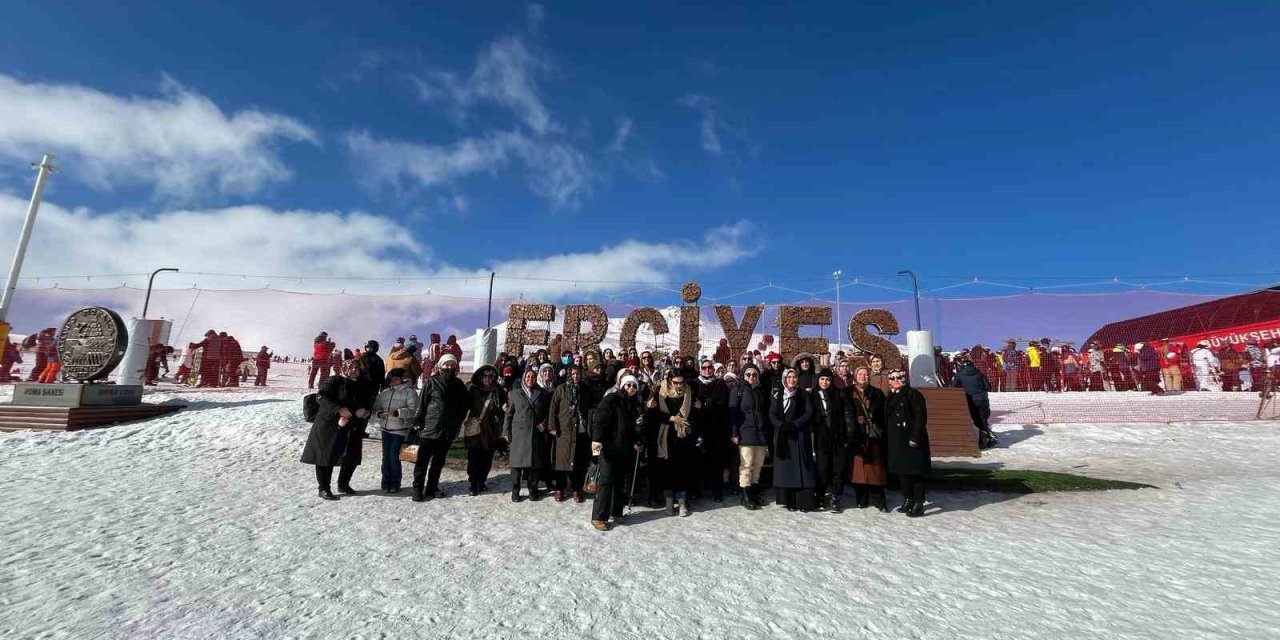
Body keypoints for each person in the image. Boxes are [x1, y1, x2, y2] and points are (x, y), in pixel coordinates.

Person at [300, 359, 369, 500]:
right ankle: (324, 488)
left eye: (357, 368)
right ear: (344, 369)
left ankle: (343, 484)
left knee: (352, 456)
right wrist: (338, 410)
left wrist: (364, 411)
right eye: (351, 367)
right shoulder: (334, 381)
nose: (354, 370)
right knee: (326, 456)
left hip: (352, 424)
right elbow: (321, 398)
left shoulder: (362, 385)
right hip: (329, 424)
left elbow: (367, 402)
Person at [410, 353, 470, 501]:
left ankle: (432, 488)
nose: (449, 367)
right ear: (440, 365)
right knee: (422, 462)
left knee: (438, 462)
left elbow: (465, 406)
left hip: (447, 431)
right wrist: (417, 422)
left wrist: (457, 421)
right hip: (429, 428)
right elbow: (421, 403)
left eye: (452, 364)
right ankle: (417, 489)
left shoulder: (459, 385)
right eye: (446, 364)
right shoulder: (432, 381)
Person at [589, 374, 644, 531]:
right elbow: (600, 420)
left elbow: (633, 427)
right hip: (609, 446)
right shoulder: (612, 399)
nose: (631, 388)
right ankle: (598, 516)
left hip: (625, 447)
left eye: (634, 386)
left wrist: (638, 438)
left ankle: (617, 512)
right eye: (628, 385)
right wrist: (597, 440)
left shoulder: (635, 404)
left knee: (620, 482)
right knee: (606, 481)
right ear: (622, 385)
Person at [649, 368, 698, 516]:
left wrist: (699, 407)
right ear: (670, 381)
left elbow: (694, 413)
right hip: (666, 435)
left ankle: (682, 501)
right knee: (667, 469)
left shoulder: (689, 391)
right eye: (676, 382)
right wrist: (671, 418)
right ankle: (669, 501)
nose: (679, 385)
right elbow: (654, 414)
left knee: (682, 468)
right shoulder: (660, 391)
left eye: (682, 382)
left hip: (684, 435)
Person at [770, 368, 818, 511]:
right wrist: (781, 425)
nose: (792, 379)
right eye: (789, 377)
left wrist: (795, 424)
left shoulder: (803, 394)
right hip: (782, 436)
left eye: (794, 377)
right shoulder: (778, 395)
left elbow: (809, 412)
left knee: (801, 468)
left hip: (799, 435)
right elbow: (772, 414)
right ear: (784, 379)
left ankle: (803, 502)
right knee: (786, 469)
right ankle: (789, 500)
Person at [885, 369, 930, 517]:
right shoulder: (890, 395)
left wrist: (915, 437)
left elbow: (920, 417)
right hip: (896, 439)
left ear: (905, 379)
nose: (895, 380)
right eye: (892, 378)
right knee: (902, 471)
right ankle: (908, 498)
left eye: (899, 377)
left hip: (910, 439)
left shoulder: (913, 394)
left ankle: (918, 502)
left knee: (915, 472)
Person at [505, 366, 552, 502]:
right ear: (523, 378)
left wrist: (544, 423)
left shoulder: (542, 393)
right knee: (516, 466)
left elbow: (548, 412)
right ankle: (515, 491)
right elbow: (509, 414)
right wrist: (506, 431)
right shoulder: (515, 393)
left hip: (535, 433)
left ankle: (533, 490)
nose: (530, 379)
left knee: (534, 465)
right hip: (518, 434)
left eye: (533, 377)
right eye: (527, 377)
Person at [549, 365, 594, 503]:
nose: (576, 376)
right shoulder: (561, 389)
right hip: (564, 430)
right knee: (562, 462)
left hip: (581, 431)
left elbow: (591, 408)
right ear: (569, 374)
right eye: (573, 374)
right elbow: (553, 408)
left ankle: (577, 488)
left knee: (579, 462)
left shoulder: (586, 389)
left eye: (578, 374)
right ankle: (560, 488)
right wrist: (552, 426)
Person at [370, 368, 419, 493]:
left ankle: (395, 483)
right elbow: (376, 409)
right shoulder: (385, 393)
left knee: (394, 455)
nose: (394, 380)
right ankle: (385, 482)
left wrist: (398, 412)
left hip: (400, 429)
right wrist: (380, 414)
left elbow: (414, 410)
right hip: (386, 429)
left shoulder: (409, 392)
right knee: (386, 456)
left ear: (402, 378)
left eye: (397, 377)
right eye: (392, 378)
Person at [729, 364, 770, 510]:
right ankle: (745, 495)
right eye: (748, 375)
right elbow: (733, 414)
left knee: (758, 465)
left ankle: (753, 493)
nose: (751, 377)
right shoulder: (738, 390)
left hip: (760, 433)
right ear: (743, 376)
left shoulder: (760, 391)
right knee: (746, 464)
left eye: (754, 375)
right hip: (745, 432)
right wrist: (734, 433)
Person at [812, 368, 853, 512]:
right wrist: (816, 419)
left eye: (828, 380)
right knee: (822, 469)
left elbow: (847, 414)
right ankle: (820, 495)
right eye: (822, 379)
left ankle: (836, 496)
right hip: (821, 438)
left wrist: (849, 433)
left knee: (838, 469)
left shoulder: (839, 394)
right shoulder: (813, 395)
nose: (825, 382)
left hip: (838, 436)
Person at [848, 365, 888, 511]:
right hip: (857, 435)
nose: (862, 376)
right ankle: (861, 498)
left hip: (873, 435)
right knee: (858, 469)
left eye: (865, 374)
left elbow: (882, 414)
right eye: (860, 374)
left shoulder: (877, 393)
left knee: (875, 468)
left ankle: (879, 499)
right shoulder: (848, 392)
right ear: (855, 376)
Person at [463, 365, 507, 495]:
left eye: (490, 376)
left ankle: (482, 481)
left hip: (491, 429)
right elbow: (464, 405)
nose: (487, 379)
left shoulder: (498, 390)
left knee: (487, 458)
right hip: (475, 428)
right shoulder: (472, 388)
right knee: (473, 457)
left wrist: (503, 408)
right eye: (485, 376)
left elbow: (502, 408)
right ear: (480, 377)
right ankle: (473, 483)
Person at [693, 359, 731, 502]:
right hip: (699, 428)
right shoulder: (695, 383)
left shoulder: (720, 384)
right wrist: (707, 405)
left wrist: (704, 406)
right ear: (700, 369)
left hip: (716, 429)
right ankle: (697, 490)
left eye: (709, 367)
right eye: (704, 367)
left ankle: (717, 491)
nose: (707, 370)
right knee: (698, 459)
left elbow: (722, 404)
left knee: (716, 461)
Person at [952, 359, 997, 449]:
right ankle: (986, 437)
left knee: (977, 420)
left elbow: (953, 387)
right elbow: (988, 387)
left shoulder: (959, 375)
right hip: (983, 399)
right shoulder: (980, 374)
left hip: (970, 400)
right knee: (983, 419)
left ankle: (985, 438)